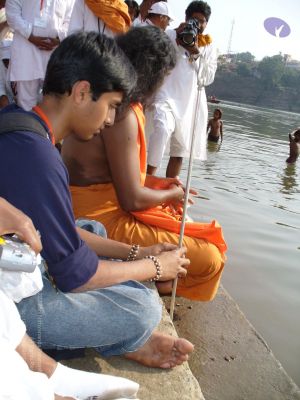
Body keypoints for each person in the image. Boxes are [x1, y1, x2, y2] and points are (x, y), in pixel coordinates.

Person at [0, 31, 193, 370]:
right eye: (112, 106)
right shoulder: (39, 158)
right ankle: (124, 338)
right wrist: (155, 267)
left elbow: (64, 234)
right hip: (13, 307)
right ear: (82, 92)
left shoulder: (22, 122)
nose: (108, 120)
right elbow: (77, 278)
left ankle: (116, 337)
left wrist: (140, 253)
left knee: (91, 227)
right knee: (142, 307)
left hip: (16, 259)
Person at [62, 26, 227, 302]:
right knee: (210, 255)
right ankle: (154, 279)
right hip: (96, 222)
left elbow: (113, 174)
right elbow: (131, 198)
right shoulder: (120, 112)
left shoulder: (111, 100)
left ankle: (153, 276)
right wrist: (172, 193)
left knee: (180, 222)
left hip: (95, 207)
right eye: (163, 77)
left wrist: (161, 184)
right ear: (152, 74)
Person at [0, 198, 140, 400]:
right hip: (27, 299)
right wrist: (150, 262)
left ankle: (47, 372)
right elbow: (133, 198)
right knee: (142, 310)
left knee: (93, 229)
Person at [146, 0, 217, 178]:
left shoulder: (209, 46)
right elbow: (154, 56)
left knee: (179, 150)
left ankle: (170, 188)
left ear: (206, 24)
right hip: (166, 94)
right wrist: (175, 36)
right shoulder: (170, 34)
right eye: (194, 20)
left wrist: (195, 52)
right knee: (161, 129)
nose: (197, 25)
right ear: (186, 19)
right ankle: (148, 179)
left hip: (190, 103)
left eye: (201, 21)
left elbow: (207, 78)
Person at [5, 0, 75, 111]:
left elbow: (72, 19)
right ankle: (27, 127)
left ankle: (47, 128)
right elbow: (12, 13)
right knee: (26, 104)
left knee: (54, 102)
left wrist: (59, 38)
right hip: (26, 51)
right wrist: (30, 35)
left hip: (54, 53)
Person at [0, 38, 15, 109]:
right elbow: (0, 84)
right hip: (9, 100)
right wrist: (2, 96)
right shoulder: (1, 64)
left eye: (9, 60)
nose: (7, 64)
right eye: (5, 61)